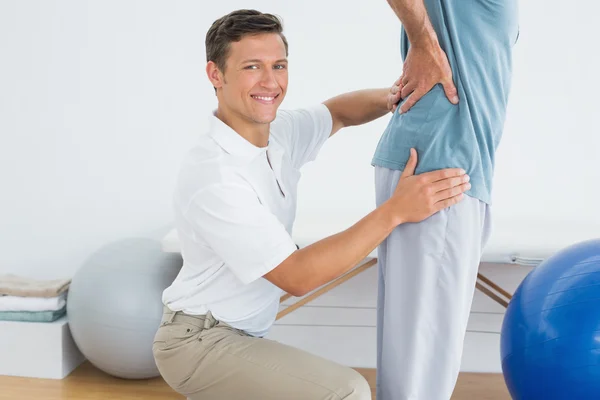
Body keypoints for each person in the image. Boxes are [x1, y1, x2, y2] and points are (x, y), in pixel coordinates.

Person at [152, 9, 470, 400]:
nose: (270, 81)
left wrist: (398, 95)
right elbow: (297, 277)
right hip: (197, 343)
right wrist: (396, 210)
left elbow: (337, 113)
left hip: (236, 334)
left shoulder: (278, 133)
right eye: (252, 67)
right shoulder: (215, 175)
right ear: (216, 75)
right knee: (346, 392)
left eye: (279, 65)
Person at [371, 0, 519, 399]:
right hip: (441, 170)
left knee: (413, 361)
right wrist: (422, 42)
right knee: (422, 370)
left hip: (440, 162)